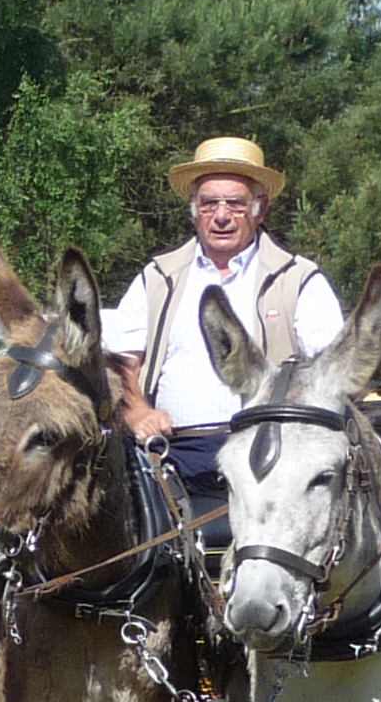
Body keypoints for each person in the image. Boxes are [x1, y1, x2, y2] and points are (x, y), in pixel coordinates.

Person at [103, 135, 346, 505]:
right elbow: (120, 365)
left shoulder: (299, 280)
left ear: (259, 210)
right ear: (193, 210)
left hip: (273, 457)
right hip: (170, 456)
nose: (220, 216)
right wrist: (139, 413)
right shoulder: (157, 278)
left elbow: (335, 371)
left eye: (235, 203)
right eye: (208, 203)